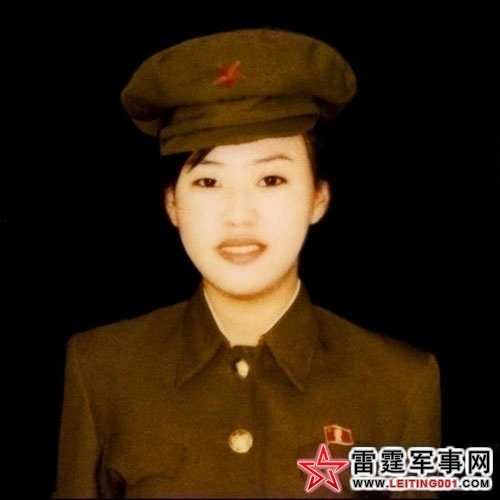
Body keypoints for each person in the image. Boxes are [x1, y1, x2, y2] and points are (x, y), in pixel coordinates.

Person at [53, 28, 440, 498]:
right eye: (208, 182)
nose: (238, 215)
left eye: (271, 179)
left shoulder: (402, 382)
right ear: (172, 204)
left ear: (319, 198)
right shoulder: (101, 368)